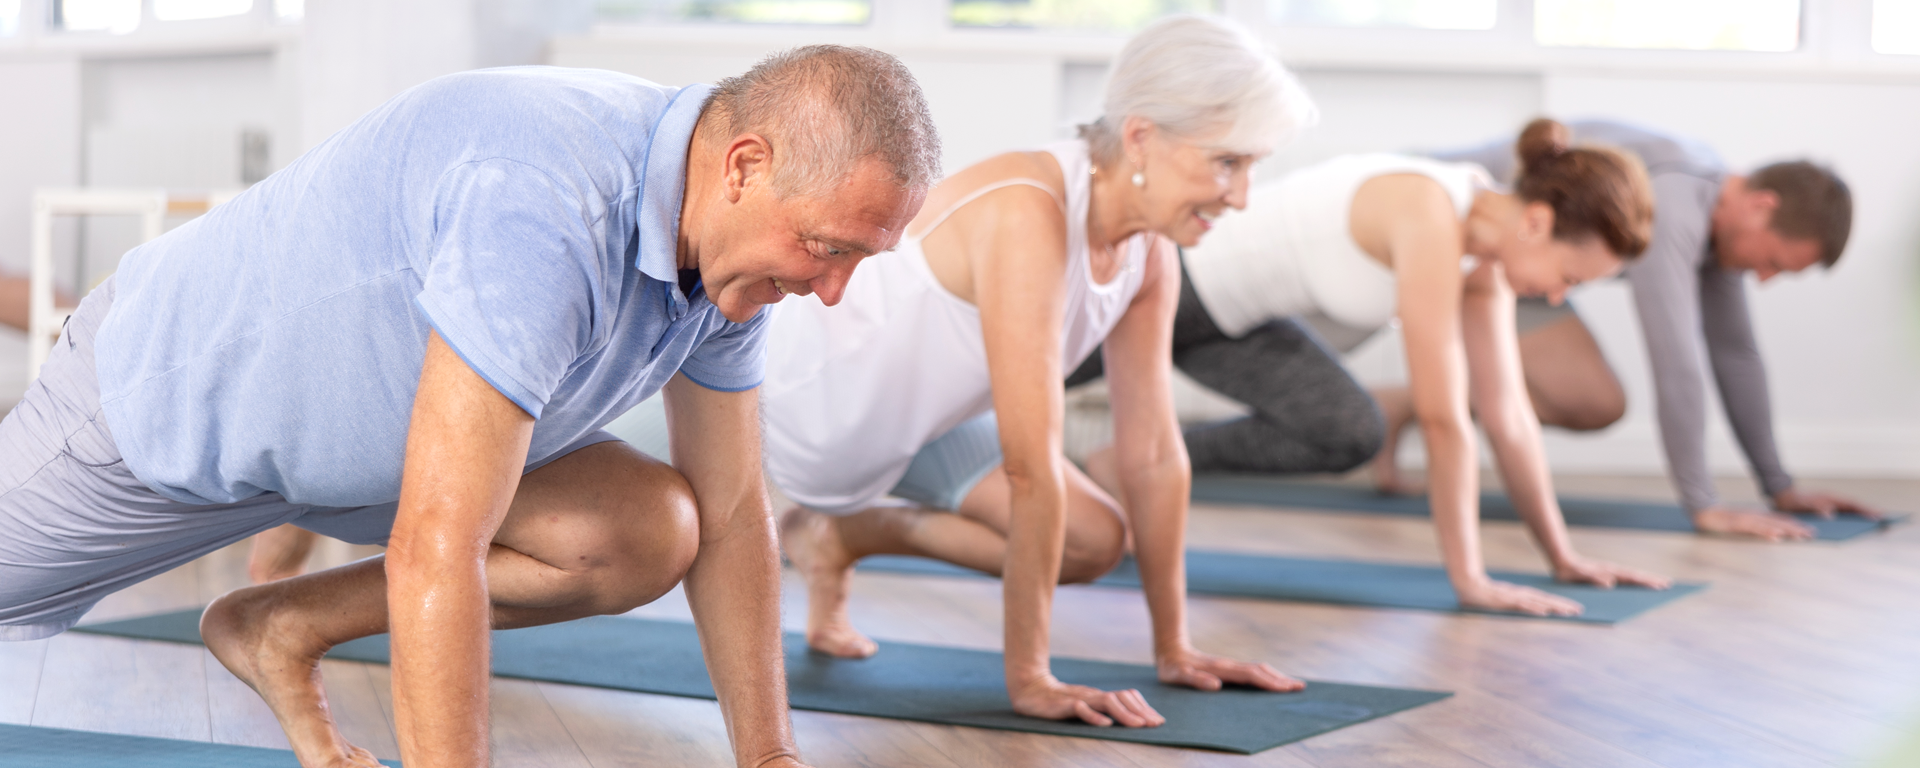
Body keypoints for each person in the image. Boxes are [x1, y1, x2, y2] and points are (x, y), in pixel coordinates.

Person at [0, 49, 939, 768]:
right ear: (744, 166)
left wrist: (770, 756)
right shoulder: (551, 200)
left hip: (368, 449)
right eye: (828, 249)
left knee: (654, 527)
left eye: (859, 260)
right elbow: (436, 545)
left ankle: (278, 624)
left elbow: (734, 515)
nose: (832, 292)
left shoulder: (733, 262)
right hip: (160, 408)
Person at [764, 16, 1314, 729]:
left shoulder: (1148, 253)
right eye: (1227, 163)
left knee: (1092, 540)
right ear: (1142, 137)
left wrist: (1175, 646)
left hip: (936, 420)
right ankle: (829, 523)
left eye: (1250, 167)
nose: (1239, 195)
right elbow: (1029, 467)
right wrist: (1030, 678)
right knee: (1046, 501)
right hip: (828, 410)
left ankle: (839, 538)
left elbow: (1152, 453)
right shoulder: (1031, 211)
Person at [1089, 119, 1672, 616]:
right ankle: (1113, 462)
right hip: (1163, 283)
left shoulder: (1484, 261)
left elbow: (1508, 414)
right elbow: (1444, 420)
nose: (1555, 297)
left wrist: (1562, 557)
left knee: (1350, 431)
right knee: (1003, 387)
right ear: (1539, 223)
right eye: (1568, 278)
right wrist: (1470, 580)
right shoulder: (1429, 214)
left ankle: (1123, 463)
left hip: (1236, 326)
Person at [1427, 121, 1880, 541]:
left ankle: (1404, 404)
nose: (1763, 278)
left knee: (1596, 401)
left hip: (1522, 271)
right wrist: (1704, 506)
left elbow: (1735, 353)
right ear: (1762, 206)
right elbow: (1676, 361)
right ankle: (1414, 402)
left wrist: (1779, 486)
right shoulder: (1678, 204)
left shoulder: (1716, 220)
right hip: (1443, 226)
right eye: (1773, 263)